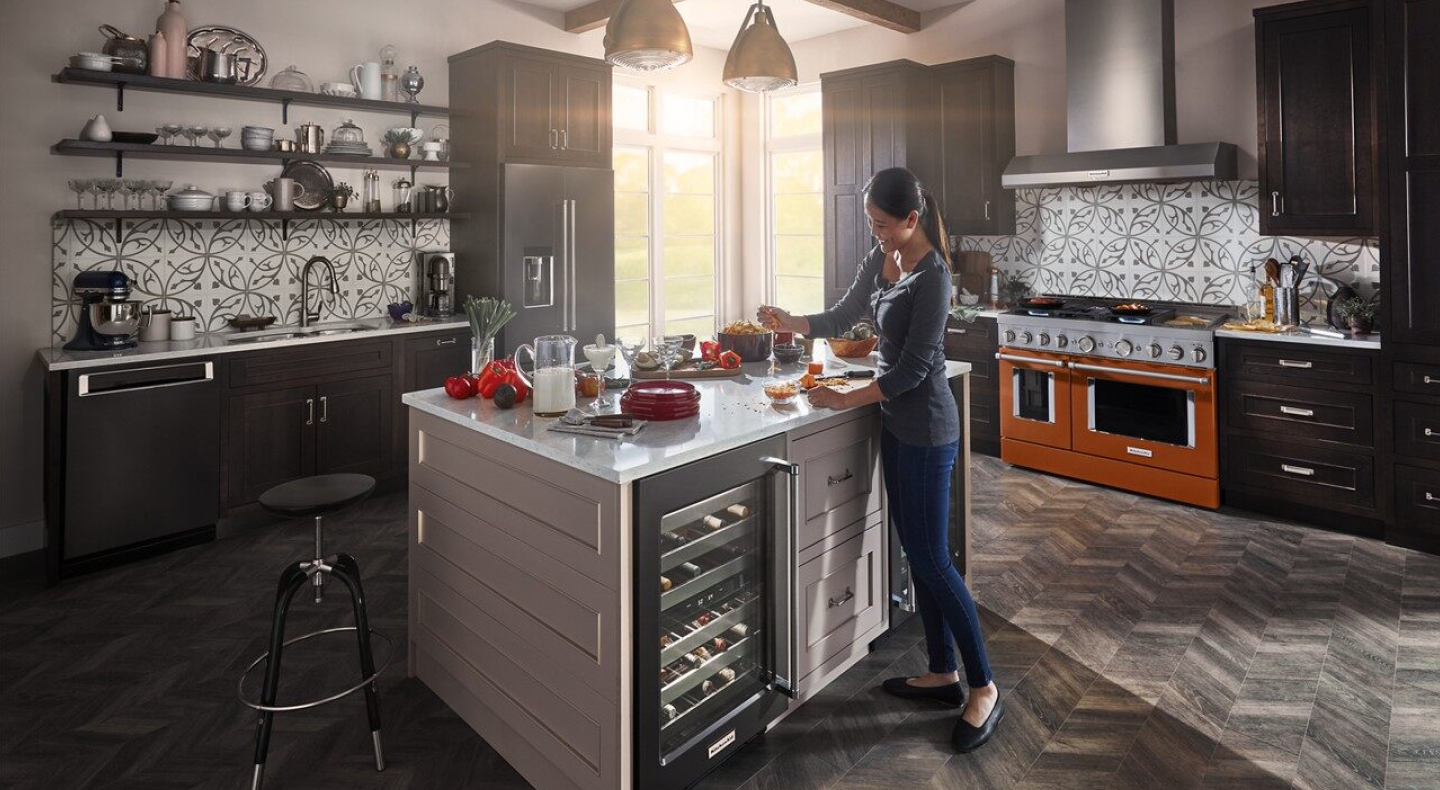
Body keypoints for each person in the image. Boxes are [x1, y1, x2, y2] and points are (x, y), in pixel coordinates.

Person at [757, 167, 1001, 752]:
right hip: (896, 428)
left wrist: (845, 397)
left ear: (912, 219)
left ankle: (984, 686)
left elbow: (913, 370)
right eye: (871, 223)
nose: (876, 233)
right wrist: (791, 321)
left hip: (928, 432)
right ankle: (942, 672)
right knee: (919, 554)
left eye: (883, 224)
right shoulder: (885, 256)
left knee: (935, 561)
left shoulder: (934, 277)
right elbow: (843, 316)